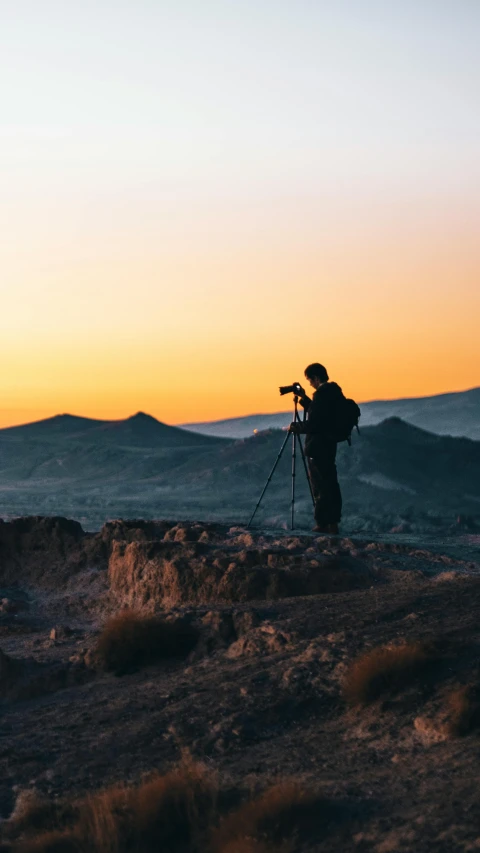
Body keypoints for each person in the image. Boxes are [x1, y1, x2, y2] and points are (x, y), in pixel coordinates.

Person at [289, 363, 343, 534]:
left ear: (316, 378)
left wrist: (296, 427)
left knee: (320, 486)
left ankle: (322, 523)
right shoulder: (334, 393)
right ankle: (333, 523)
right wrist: (304, 398)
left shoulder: (321, 395)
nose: (310, 384)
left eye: (310, 380)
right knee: (330, 483)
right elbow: (318, 413)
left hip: (318, 447)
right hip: (329, 445)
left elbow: (315, 423)